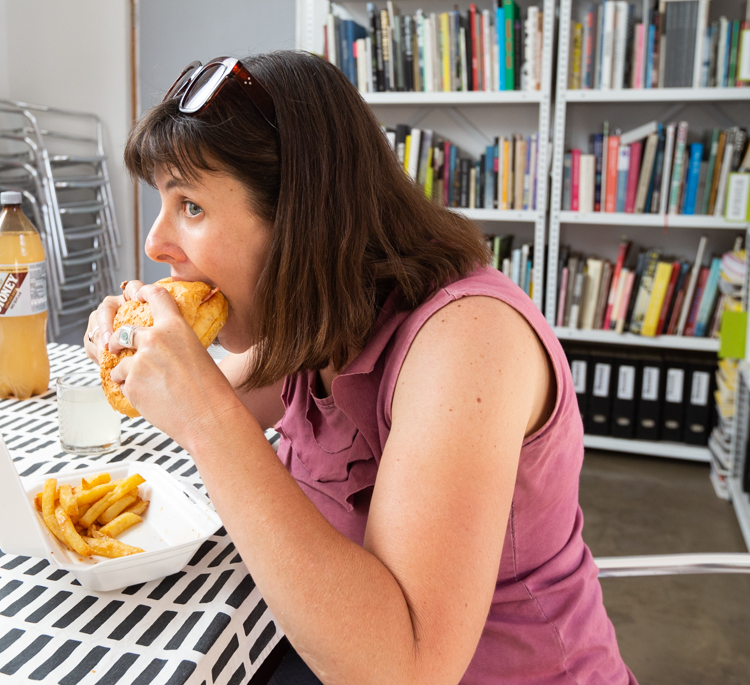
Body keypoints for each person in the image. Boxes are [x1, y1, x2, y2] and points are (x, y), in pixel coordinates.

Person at [84, 51, 637, 684]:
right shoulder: (312, 320)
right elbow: (209, 405)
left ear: (298, 216)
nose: (155, 242)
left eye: (192, 207)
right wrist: (141, 358)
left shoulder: (466, 340)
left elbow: (405, 668)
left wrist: (204, 413)